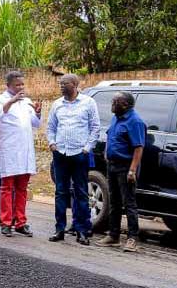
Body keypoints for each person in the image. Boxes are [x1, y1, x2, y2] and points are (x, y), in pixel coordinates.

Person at [46, 73, 100, 245]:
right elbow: (51, 127)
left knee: (81, 193)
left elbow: (95, 127)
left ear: (75, 84)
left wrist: (87, 148)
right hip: (60, 153)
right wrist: (52, 144)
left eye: (65, 83)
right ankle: (59, 229)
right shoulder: (57, 104)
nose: (61, 86)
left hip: (79, 154)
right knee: (60, 192)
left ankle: (82, 230)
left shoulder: (88, 103)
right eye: (60, 83)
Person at [0, 71, 41, 237]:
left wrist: (38, 112)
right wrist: (10, 102)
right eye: (17, 85)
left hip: (25, 151)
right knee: (7, 187)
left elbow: (35, 124)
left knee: (22, 189)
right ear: (8, 85)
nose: (20, 88)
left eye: (22, 84)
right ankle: (6, 222)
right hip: (9, 151)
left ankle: (21, 222)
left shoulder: (26, 101)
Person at [97, 92, 145, 252]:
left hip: (126, 167)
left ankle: (132, 238)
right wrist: (106, 152)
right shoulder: (116, 117)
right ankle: (114, 235)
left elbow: (138, 148)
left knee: (129, 203)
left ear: (124, 104)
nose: (111, 103)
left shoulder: (135, 121)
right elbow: (110, 136)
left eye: (115, 101)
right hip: (112, 165)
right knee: (114, 201)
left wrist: (132, 170)